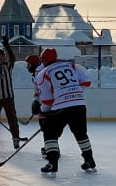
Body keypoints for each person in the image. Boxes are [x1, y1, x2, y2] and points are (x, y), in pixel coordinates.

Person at [35, 48, 97, 177]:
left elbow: (47, 100)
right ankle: (89, 160)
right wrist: (74, 94)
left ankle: (52, 163)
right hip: (79, 104)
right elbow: (87, 82)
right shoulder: (73, 66)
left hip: (60, 107)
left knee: (50, 134)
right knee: (81, 134)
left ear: (44, 60)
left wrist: (44, 113)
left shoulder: (42, 73)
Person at [0, 35, 27, 151]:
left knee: (12, 119)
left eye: (3, 57)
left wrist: (7, 46)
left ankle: (15, 138)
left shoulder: (8, 66)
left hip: (8, 98)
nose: (1, 59)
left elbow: (12, 58)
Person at [25, 54, 48, 158]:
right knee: (46, 126)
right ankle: (50, 146)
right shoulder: (36, 73)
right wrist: (36, 101)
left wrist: (39, 102)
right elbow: (38, 91)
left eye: (28, 64)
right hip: (46, 103)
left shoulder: (40, 71)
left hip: (48, 104)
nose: (27, 67)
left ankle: (51, 148)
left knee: (47, 126)